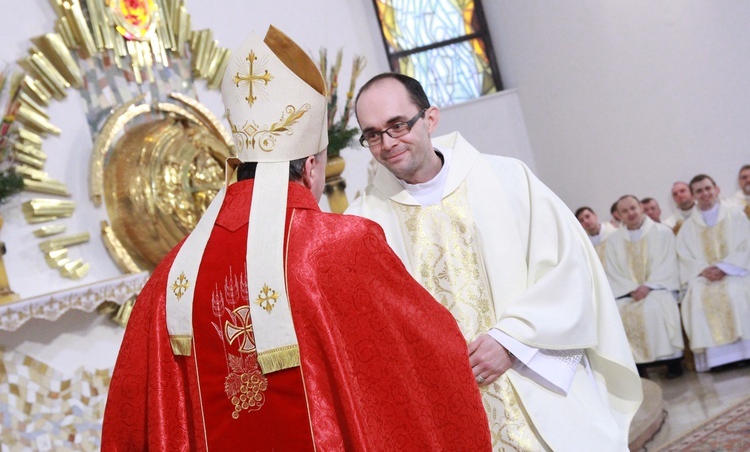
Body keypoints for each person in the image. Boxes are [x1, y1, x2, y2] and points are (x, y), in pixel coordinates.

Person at [101, 28, 491, 450]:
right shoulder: (341, 248)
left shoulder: (169, 279)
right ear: (310, 167)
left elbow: (133, 419)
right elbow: (427, 366)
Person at [347, 73, 642, 451]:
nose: (387, 143)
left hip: (535, 384)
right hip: (448, 415)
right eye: (372, 134)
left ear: (430, 118)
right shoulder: (362, 225)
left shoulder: (508, 178)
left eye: (397, 125)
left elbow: (570, 271)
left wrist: (510, 340)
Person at [676, 174, 750, 372]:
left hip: (735, 272)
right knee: (698, 295)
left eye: (708, 188)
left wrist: (724, 267)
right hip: (702, 276)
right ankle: (717, 360)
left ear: (716, 189)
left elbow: (745, 246)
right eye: (699, 190)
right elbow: (684, 257)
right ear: (693, 195)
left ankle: (744, 353)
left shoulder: (736, 215)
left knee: (735, 291)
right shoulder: (687, 227)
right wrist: (703, 269)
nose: (705, 193)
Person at [605, 195, 684, 378]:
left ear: (640, 207)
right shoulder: (614, 241)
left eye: (633, 208)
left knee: (655, 307)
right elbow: (613, 272)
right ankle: (638, 366)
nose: (630, 213)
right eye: (625, 211)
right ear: (618, 215)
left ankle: (672, 362)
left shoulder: (662, 232)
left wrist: (648, 286)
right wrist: (632, 288)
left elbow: (668, 263)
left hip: (658, 288)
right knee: (620, 312)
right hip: (628, 293)